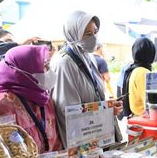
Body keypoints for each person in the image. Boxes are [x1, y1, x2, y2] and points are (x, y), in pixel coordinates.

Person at [51, 11, 122, 148]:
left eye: (95, 32)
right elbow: (69, 113)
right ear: (73, 33)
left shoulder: (88, 57)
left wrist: (108, 106)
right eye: (88, 34)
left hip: (100, 135)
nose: (94, 38)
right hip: (83, 144)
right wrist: (106, 113)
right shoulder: (64, 64)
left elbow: (93, 95)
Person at [121, 37, 156, 117]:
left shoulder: (135, 69)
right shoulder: (143, 72)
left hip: (137, 118)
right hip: (144, 120)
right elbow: (153, 104)